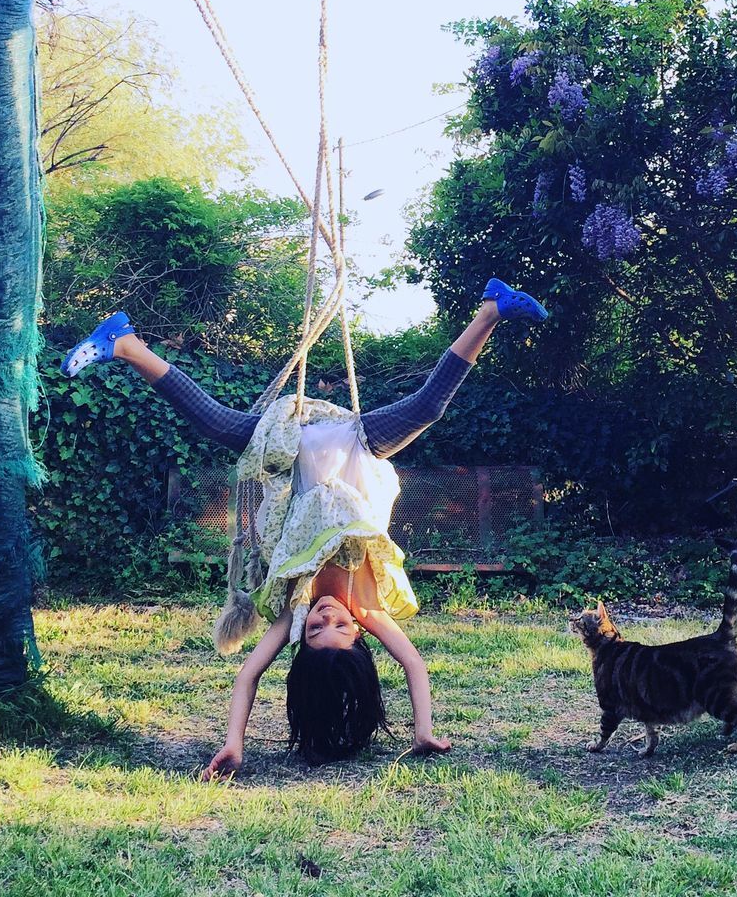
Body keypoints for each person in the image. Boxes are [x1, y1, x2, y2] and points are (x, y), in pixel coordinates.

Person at [60, 279, 548, 773]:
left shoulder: (291, 612)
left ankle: (126, 345)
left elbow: (249, 675)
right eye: (339, 627)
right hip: (359, 444)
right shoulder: (372, 610)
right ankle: (490, 308)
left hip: (287, 449)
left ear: (302, 639)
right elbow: (414, 666)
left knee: (211, 421)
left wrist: (235, 742)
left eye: (317, 629)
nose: (328, 615)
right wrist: (423, 731)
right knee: (428, 407)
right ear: (359, 636)